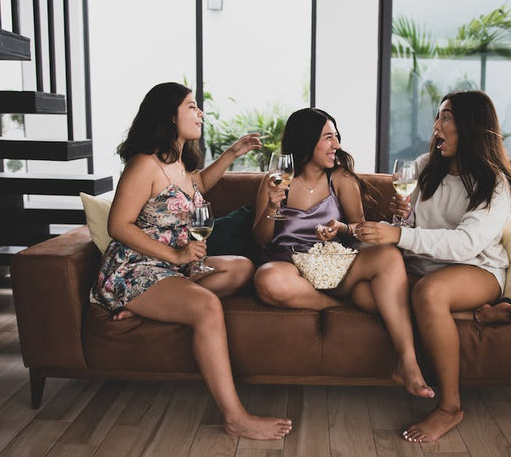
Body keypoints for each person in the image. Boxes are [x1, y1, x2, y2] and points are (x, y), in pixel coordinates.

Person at [90, 82, 292, 440]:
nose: (201, 113)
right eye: (192, 107)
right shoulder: (144, 165)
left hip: (171, 270)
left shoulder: (179, 165)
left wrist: (233, 152)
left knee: (242, 267)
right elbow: (117, 225)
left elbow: (198, 184)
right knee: (207, 307)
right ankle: (235, 416)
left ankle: (145, 308)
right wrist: (175, 254)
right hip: (135, 269)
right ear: (170, 115)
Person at [355, 90, 511, 443]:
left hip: (476, 268)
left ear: (471, 127)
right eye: (438, 117)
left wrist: (398, 237)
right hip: (425, 264)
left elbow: (464, 245)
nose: (436, 127)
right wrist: (400, 221)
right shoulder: (425, 167)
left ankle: (450, 407)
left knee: (430, 293)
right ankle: (475, 315)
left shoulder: (495, 183)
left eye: (446, 118)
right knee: (368, 293)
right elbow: (414, 229)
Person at [252, 107, 431, 399]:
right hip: (290, 267)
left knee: (388, 255)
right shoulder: (277, 179)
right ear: (306, 140)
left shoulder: (342, 179)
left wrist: (341, 229)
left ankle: (408, 361)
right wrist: (272, 208)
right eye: (327, 137)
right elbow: (260, 241)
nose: (336, 145)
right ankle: (339, 305)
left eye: (336, 137)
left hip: (336, 265)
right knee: (267, 279)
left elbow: (359, 229)